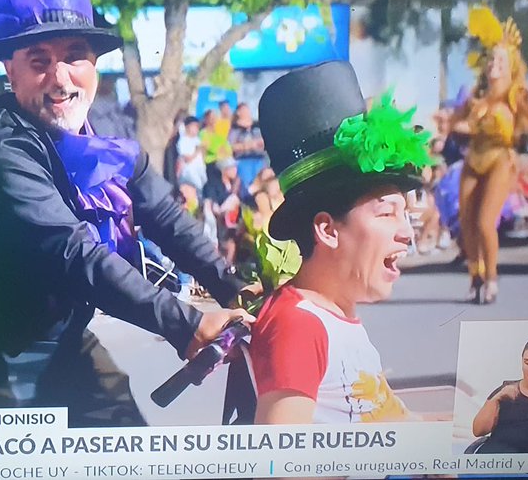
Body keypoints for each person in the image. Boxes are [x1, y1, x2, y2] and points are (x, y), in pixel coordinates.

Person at [0, 0, 252, 425]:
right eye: (39, 60)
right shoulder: (1, 153)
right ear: (10, 70)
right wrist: (185, 324)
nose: (60, 78)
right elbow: (75, 254)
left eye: (74, 55)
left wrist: (232, 285)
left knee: (128, 446)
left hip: (64, 339)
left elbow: (162, 214)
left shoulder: (107, 130)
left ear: (94, 63)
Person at [250, 61, 431, 425]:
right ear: (327, 230)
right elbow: (280, 456)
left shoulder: (334, 316)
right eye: (386, 213)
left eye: (405, 215)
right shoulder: (299, 326)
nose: (407, 233)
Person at [454, 9, 528, 304]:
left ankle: (492, 278)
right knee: (466, 221)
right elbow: (459, 123)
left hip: (500, 159)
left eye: (500, 60)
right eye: (491, 59)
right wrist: (449, 122)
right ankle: (475, 276)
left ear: (511, 65)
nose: (493, 65)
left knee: (485, 222)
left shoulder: (515, 95)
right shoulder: (477, 97)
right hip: (474, 158)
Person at [229, 103, 267, 188]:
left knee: (262, 183)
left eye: (247, 110)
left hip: (260, 159)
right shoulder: (235, 128)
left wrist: (261, 142)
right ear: (238, 112)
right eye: (244, 110)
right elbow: (232, 146)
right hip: (244, 160)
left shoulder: (257, 125)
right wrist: (247, 146)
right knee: (247, 185)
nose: (246, 112)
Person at [176, 115, 208, 193]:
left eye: (197, 126)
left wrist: (204, 150)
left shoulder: (197, 140)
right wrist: (197, 150)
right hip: (189, 174)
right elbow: (187, 159)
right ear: (188, 126)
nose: (197, 129)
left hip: (200, 172)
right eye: (195, 126)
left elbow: (203, 158)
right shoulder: (183, 141)